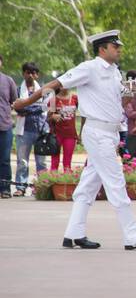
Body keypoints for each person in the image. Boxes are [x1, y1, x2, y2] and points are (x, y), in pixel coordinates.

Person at [21, 30, 136, 250]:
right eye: (116, 46)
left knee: (87, 187)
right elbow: (57, 83)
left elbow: (116, 100)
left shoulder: (114, 71)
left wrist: (131, 92)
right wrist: (27, 101)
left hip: (110, 133)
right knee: (116, 183)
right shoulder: (89, 68)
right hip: (97, 132)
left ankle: (74, 234)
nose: (119, 50)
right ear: (102, 49)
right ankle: (133, 235)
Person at [13, 62, 51, 195]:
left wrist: (26, 107)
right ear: (23, 74)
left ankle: (41, 187)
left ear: (37, 75)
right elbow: (17, 107)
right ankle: (20, 187)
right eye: (28, 72)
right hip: (24, 130)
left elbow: (46, 109)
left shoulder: (45, 91)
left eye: (33, 72)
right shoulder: (17, 90)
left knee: (42, 162)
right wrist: (33, 108)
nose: (30, 75)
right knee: (22, 161)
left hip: (41, 130)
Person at [49, 83, 79, 172]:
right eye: (62, 85)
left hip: (70, 134)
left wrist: (80, 133)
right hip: (56, 134)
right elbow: (48, 118)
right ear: (59, 86)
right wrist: (53, 117)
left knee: (67, 163)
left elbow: (84, 114)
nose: (65, 87)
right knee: (54, 162)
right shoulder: (54, 99)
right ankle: (52, 183)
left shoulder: (75, 98)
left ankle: (66, 184)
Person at [0, 55, 17, 197]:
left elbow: (14, 101)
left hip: (5, 126)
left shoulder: (8, 80)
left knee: (4, 159)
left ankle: (5, 189)